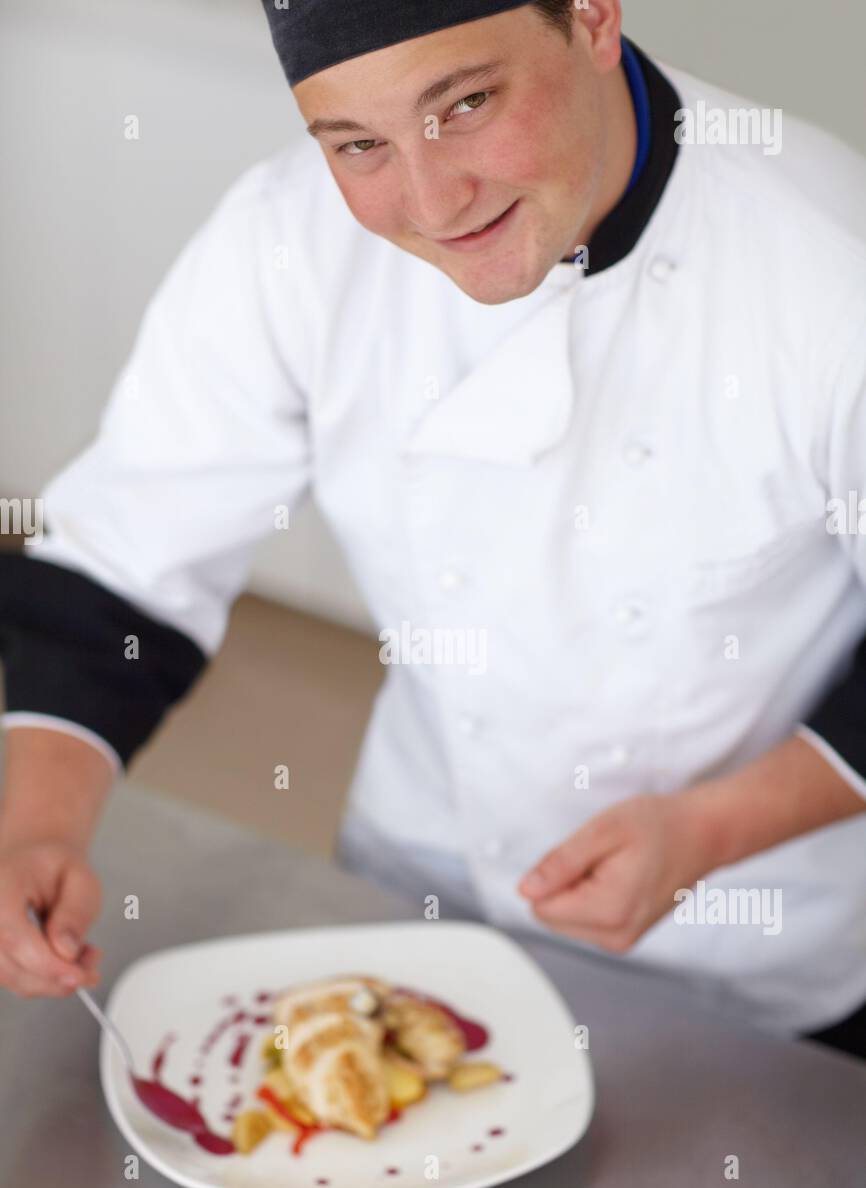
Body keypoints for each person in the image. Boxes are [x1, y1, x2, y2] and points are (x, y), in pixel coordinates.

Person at [1, 1, 865, 1060]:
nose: (430, 199)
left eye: (464, 103)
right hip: (416, 895)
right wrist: (36, 823)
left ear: (591, 15)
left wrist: (714, 829)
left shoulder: (826, 262)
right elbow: (123, 563)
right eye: (359, 146)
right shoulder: (284, 241)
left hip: (758, 967)